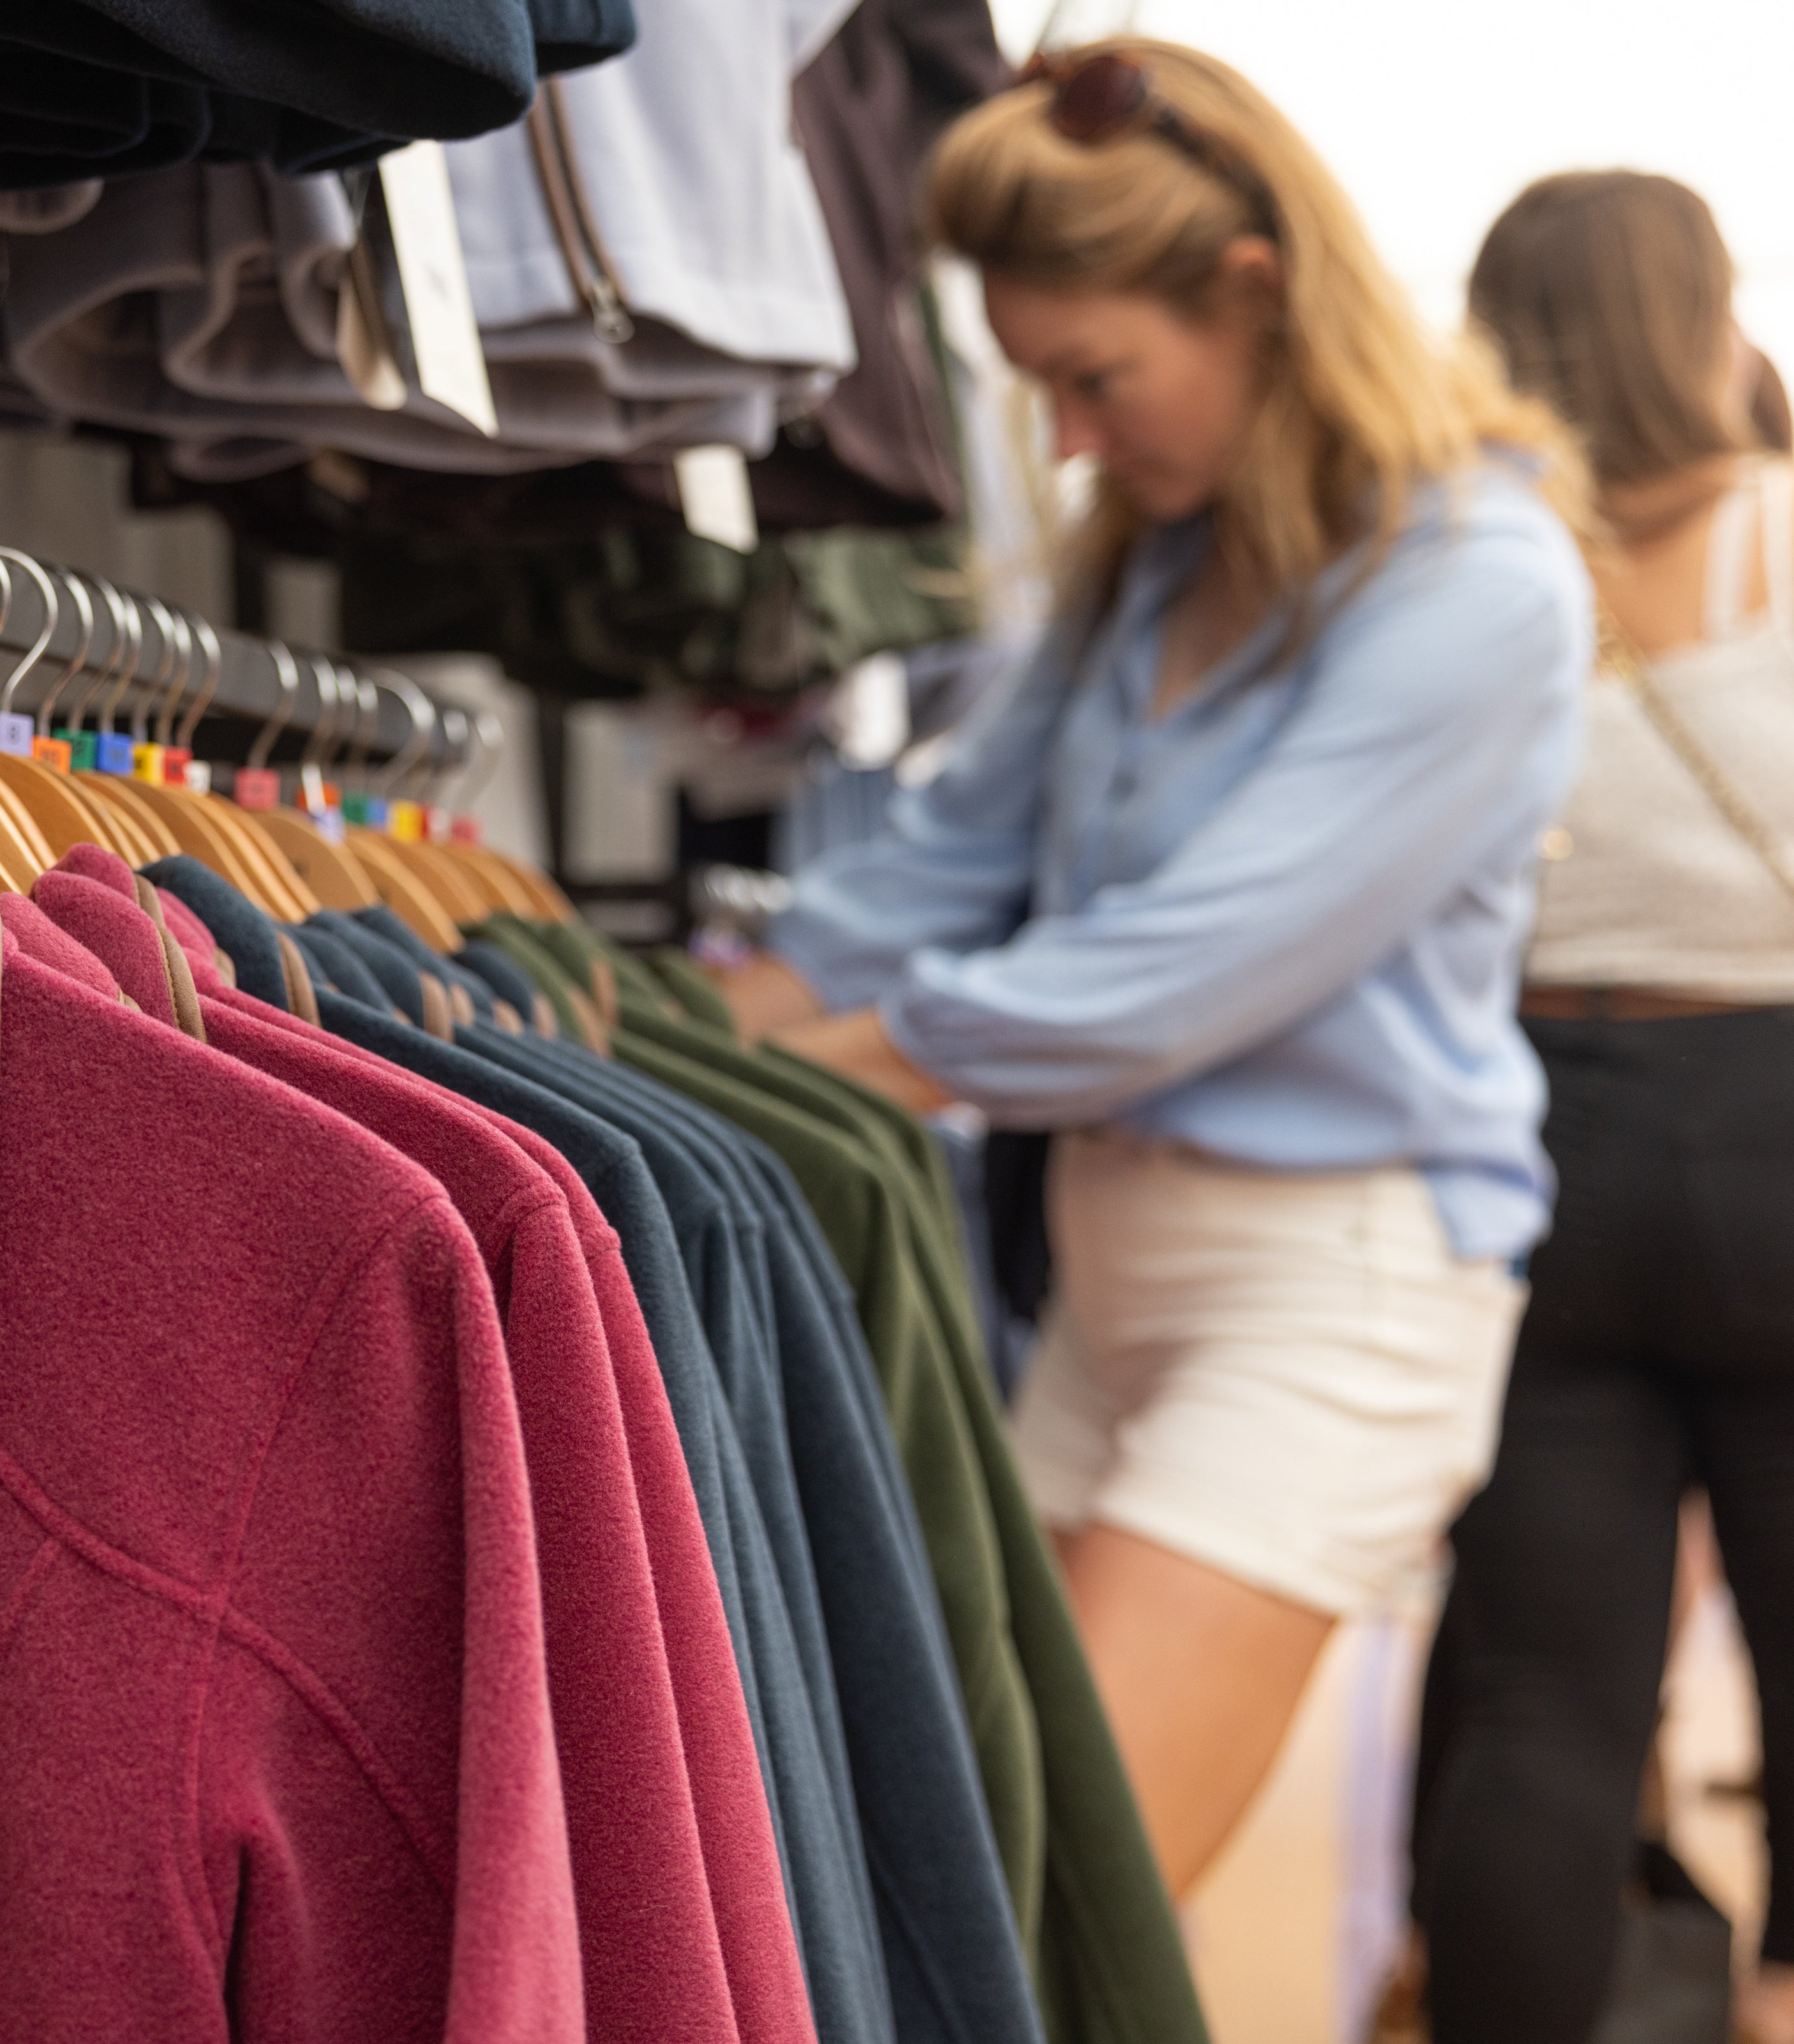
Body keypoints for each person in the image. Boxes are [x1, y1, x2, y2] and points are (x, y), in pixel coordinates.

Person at [714, 39, 1594, 1893]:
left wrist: (737, 1077)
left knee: (1048, 1907)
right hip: (1109, 1276)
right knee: (956, 1875)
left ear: (1255, 294)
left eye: (1092, 377)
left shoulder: (1480, 585)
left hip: (1327, 1285)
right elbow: (947, 860)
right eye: (1036, 383)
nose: (1065, 439)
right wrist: (653, 1019)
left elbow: (1167, 978)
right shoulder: (1152, 565)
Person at [1410, 172, 1794, 2044]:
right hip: (1782, 1113)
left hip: (1535, 1127)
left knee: (1546, 1703)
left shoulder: (1457, 556)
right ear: (1706, 314)